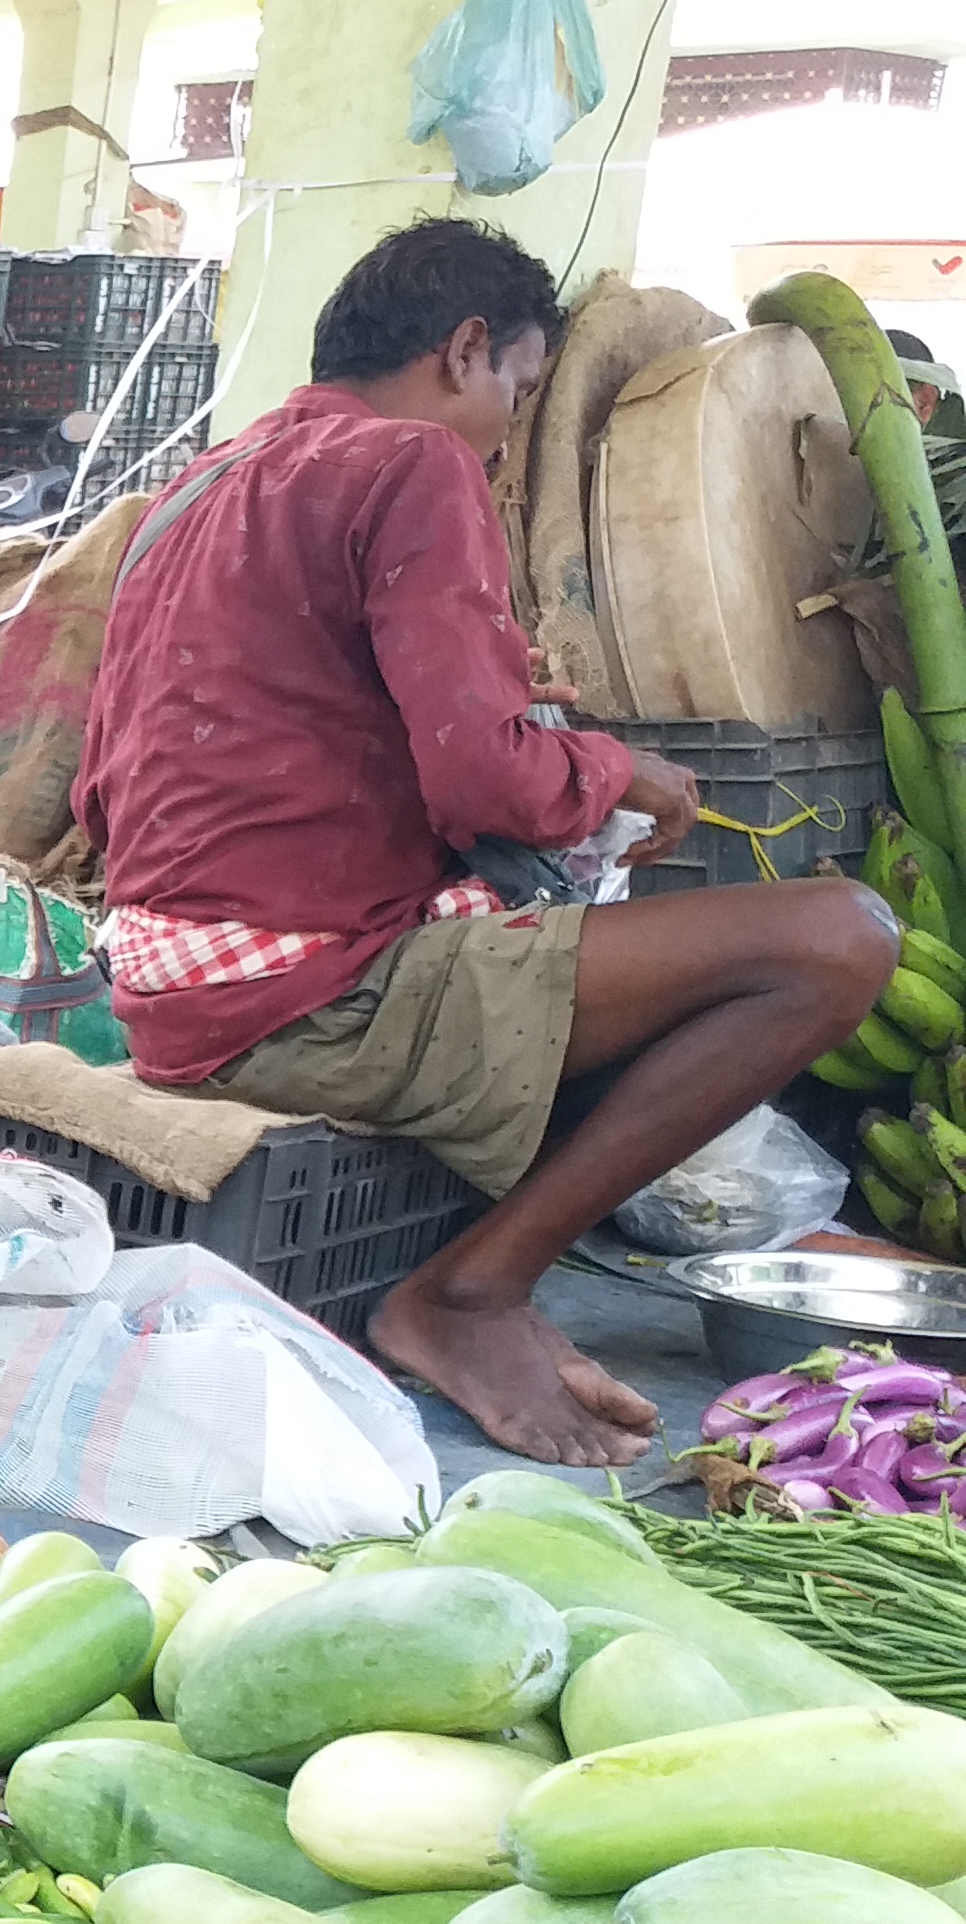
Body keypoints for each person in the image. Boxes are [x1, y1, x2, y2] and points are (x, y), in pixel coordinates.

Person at [77, 214, 892, 1466]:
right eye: (516, 389)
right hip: (306, 1001)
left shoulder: (200, 485)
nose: (508, 430)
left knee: (598, 938)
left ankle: (477, 1276)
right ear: (466, 350)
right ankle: (471, 1294)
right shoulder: (409, 462)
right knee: (838, 941)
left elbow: (120, 792)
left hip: (167, 988)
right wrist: (622, 768)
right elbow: (486, 777)